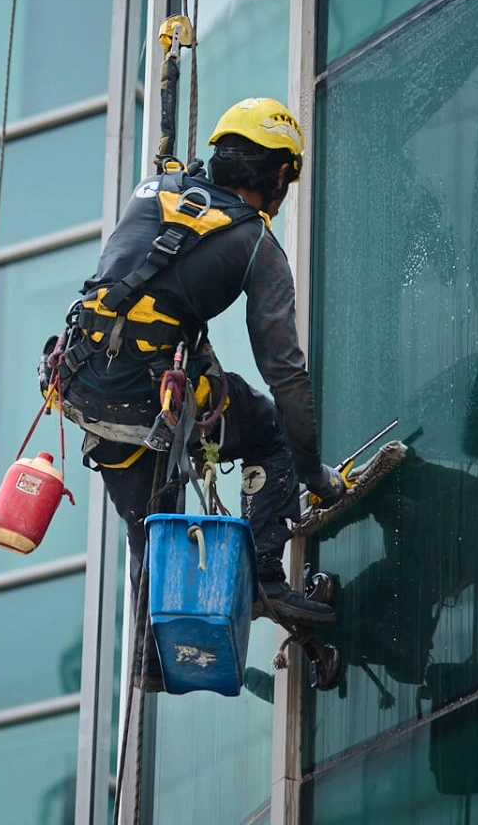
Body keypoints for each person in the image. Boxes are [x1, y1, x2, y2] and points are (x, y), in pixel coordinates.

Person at [47, 98, 347, 689]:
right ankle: (263, 570)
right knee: (270, 430)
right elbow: (286, 375)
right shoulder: (257, 245)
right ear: (281, 174)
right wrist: (314, 474)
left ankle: (147, 659)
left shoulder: (153, 187)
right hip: (153, 400)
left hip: (82, 385)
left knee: (150, 527)